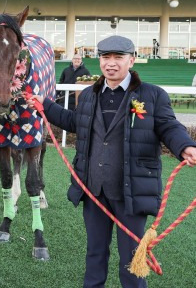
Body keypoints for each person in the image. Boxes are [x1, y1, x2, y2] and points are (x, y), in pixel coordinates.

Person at [27, 35, 196, 288]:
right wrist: (46, 105)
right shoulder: (88, 95)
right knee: (95, 254)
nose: (111, 63)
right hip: (94, 190)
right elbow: (75, 123)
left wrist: (185, 146)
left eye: (118, 57)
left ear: (132, 60)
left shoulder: (152, 95)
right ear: (100, 60)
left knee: (132, 259)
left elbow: (168, 126)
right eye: (106, 57)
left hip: (131, 192)